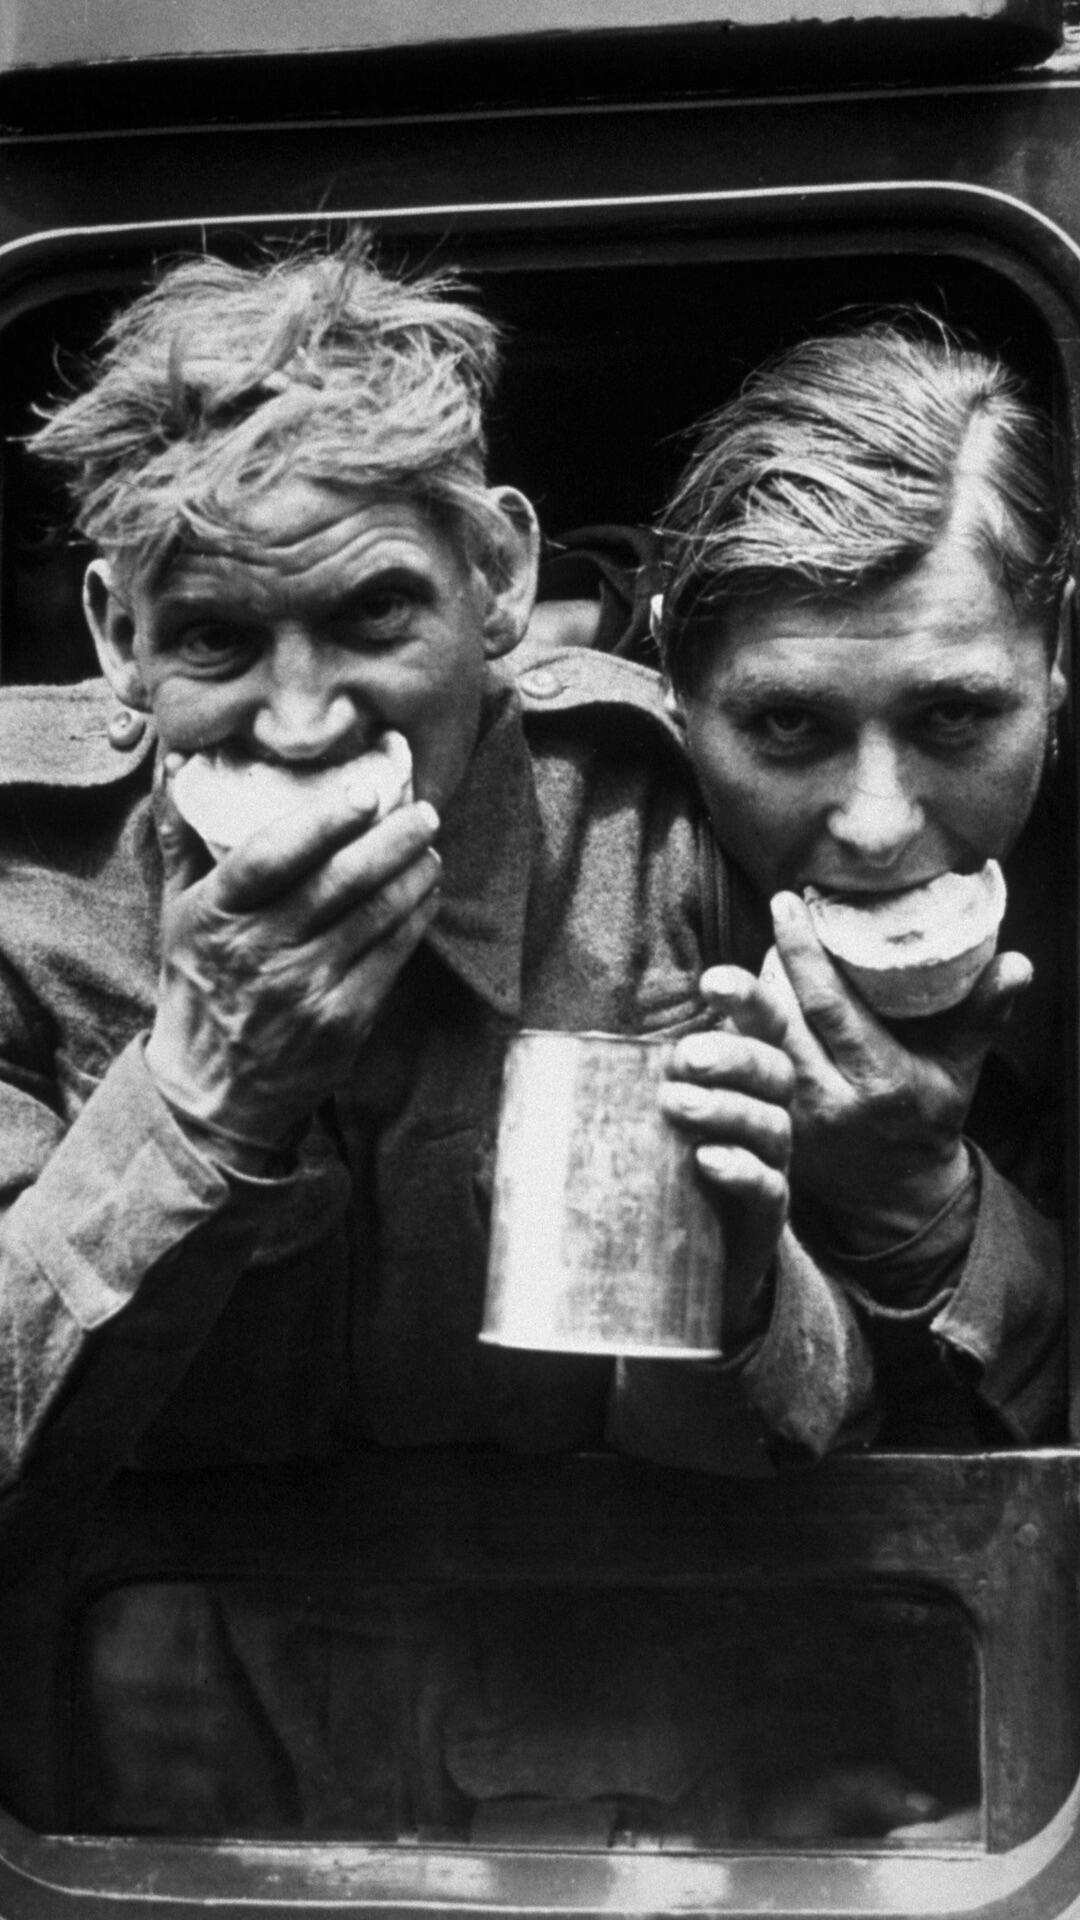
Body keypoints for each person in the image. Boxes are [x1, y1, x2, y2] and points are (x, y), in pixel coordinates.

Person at [0, 236, 890, 1841]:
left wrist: (744, 1290)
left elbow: (846, 1428)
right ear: (113, 638)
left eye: (374, 615)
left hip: (580, 1753)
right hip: (127, 1769)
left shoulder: (648, 827)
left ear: (495, 586)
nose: (300, 718)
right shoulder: (26, 896)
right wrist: (195, 1099)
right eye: (211, 638)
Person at [645, 317, 1068, 1452]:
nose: (877, 826)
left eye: (955, 716)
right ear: (672, 691)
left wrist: (920, 1204)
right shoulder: (600, 892)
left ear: (1057, 650)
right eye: (789, 725)